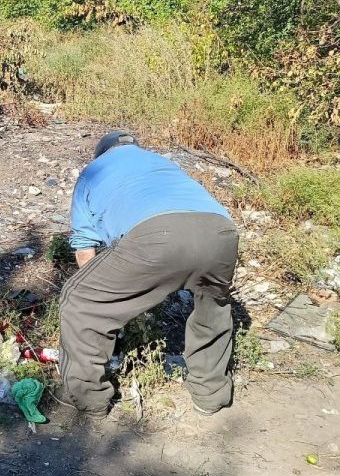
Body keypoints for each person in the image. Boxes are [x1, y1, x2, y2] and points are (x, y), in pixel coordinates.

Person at [59, 131, 239, 418]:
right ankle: (210, 395)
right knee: (213, 311)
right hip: (221, 232)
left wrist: (109, 300)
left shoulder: (91, 173)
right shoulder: (161, 162)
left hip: (158, 235)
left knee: (79, 301)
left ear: (101, 153)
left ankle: (89, 399)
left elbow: (85, 249)